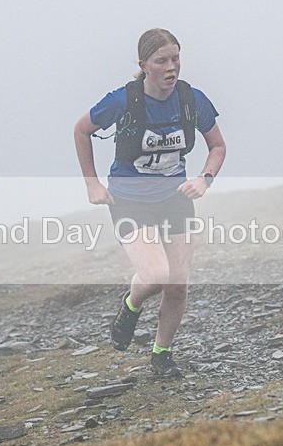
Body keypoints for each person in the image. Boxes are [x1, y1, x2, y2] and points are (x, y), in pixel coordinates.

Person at [73, 28, 226, 377]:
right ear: (144, 66)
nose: (171, 67)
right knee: (156, 274)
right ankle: (131, 304)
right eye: (161, 61)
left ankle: (162, 354)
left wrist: (205, 179)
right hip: (129, 201)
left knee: (178, 284)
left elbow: (218, 145)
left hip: (175, 199)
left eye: (175, 59)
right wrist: (92, 184)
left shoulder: (192, 100)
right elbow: (81, 130)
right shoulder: (122, 101)